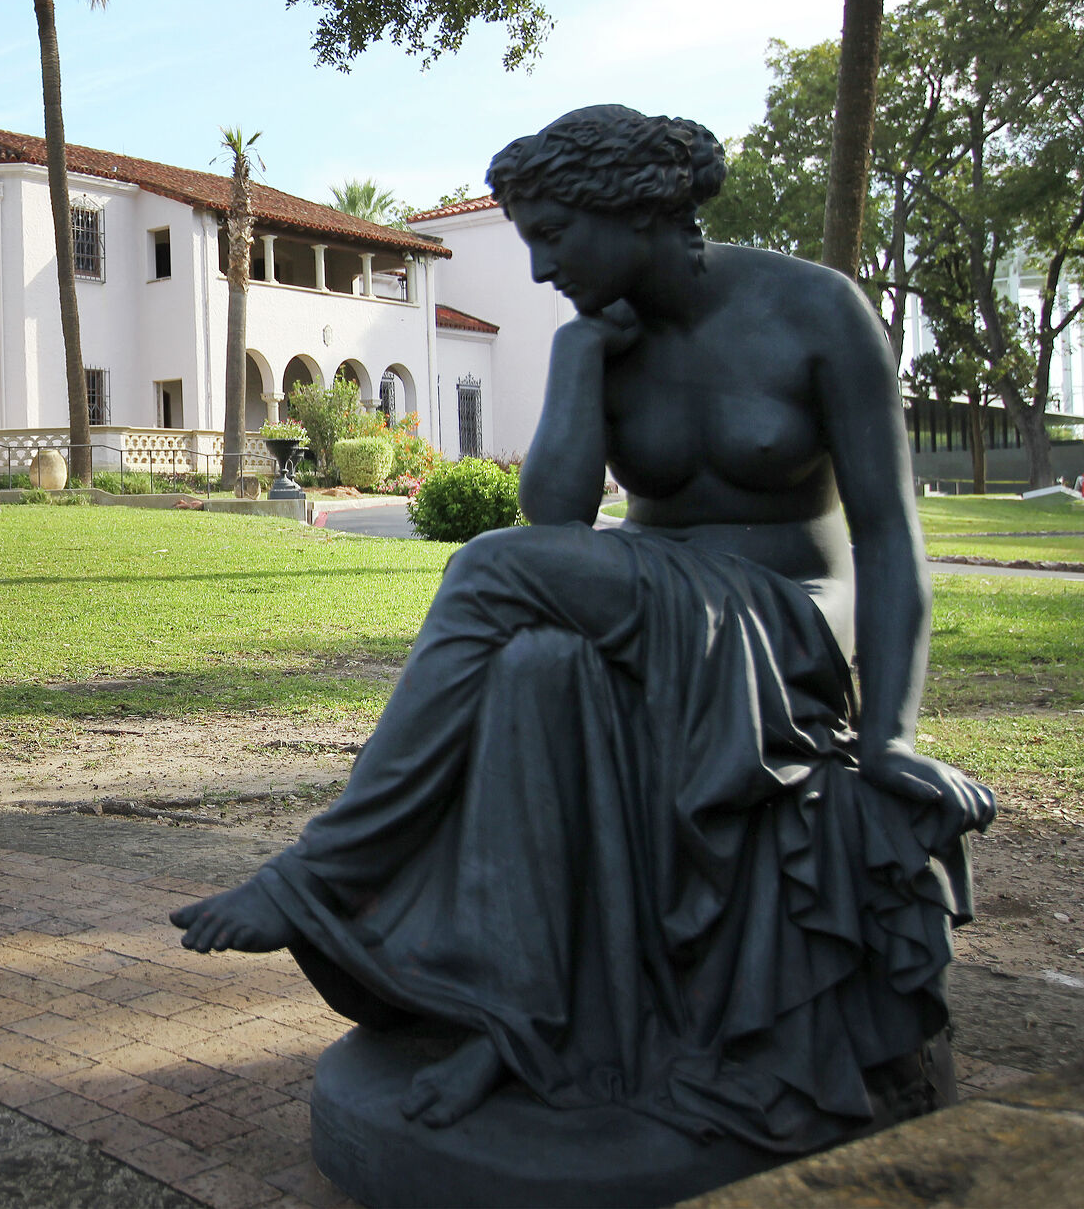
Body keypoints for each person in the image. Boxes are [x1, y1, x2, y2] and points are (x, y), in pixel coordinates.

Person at [171, 105, 994, 1157]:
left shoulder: (810, 310)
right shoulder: (596, 335)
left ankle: (322, 874)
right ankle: (518, 1023)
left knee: (483, 570)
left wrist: (887, 740)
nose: (540, 262)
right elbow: (555, 521)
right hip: (655, 604)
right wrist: (579, 363)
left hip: (786, 618)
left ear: (635, 211)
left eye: (555, 234)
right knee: (539, 671)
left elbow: (887, 539)